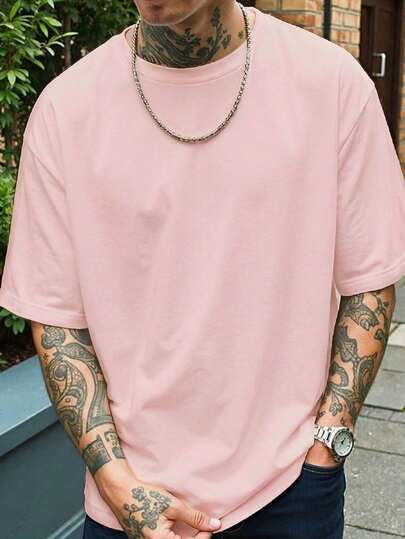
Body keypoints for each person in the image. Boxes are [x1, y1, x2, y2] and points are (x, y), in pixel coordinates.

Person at [1, 0, 405, 537]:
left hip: (292, 491)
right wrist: (116, 480)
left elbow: (369, 282)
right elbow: (56, 320)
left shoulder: (330, 84)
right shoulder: (66, 109)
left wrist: (328, 444)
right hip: (129, 500)